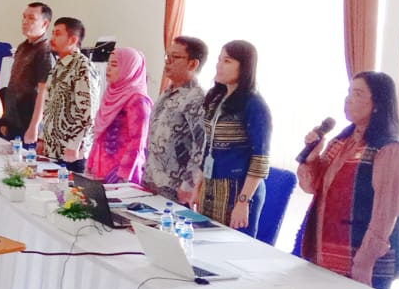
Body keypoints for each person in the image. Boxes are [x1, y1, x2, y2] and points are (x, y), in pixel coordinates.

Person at [297, 71, 399, 289]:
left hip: (364, 263)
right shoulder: (343, 140)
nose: (348, 99)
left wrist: (365, 260)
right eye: (349, 92)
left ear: (377, 103)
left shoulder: (389, 150)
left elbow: (385, 214)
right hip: (327, 255)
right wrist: (311, 157)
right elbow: (311, 186)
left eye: (358, 94)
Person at [195, 40, 271, 235]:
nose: (219, 65)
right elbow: (208, 146)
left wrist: (243, 201)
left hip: (238, 190)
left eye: (227, 61)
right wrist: (199, 184)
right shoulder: (217, 99)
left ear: (244, 67)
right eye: (219, 59)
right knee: (204, 245)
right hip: (211, 185)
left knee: (230, 251)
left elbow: (260, 158)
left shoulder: (254, 105)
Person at [143, 35, 209, 204]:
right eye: (167, 56)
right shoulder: (168, 91)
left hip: (174, 186)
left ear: (193, 64)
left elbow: (200, 146)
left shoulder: (197, 98)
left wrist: (189, 184)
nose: (168, 62)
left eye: (176, 57)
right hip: (151, 179)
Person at [85, 46, 153, 184]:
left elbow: (138, 142)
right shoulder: (110, 94)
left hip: (120, 175)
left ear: (130, 68)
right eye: (108, 64)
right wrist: (91, 163)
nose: (108, 69)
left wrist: (123, 174)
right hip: (100, 171)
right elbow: (99, 136)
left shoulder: (137, 100)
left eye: (115, 65)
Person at [38, 17, 98, 169]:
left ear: (72, 39)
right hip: (52, 149)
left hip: (70, 152)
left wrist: (75, 145)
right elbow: (49, 106)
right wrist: (42, 138)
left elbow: (88, 111)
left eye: (58, 34)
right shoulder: (59, 65)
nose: (52, 38)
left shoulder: (82, 67)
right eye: (52, 33)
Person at [0, 2, 53, 144]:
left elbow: (43, 92)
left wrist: (34, 127)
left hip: (27, 121)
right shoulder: (22, 46)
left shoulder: (44, 51)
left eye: (31, 18)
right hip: (11, 118)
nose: (25, 21)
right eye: (24, 17)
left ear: (45, 23)